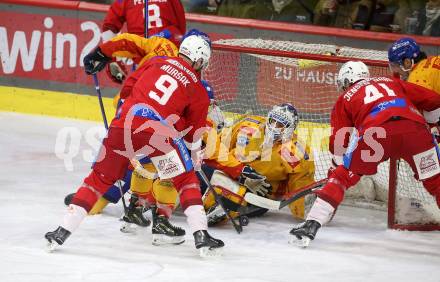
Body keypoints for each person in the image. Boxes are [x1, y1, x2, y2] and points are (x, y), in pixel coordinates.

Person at [45, 32, 225, 257]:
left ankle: (62, 231)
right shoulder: (197, 88)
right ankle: (200, 235)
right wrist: (194, 158)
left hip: (123, 126)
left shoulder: (156, 60)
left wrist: (123, 118)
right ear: (199, 60)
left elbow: (128, 89)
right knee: (186, 179)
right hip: (159, 133)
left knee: (97, 180)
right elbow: (194, 134)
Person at [290, 61, 440, 247]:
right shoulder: (391, 82)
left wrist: (337, 172)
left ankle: (312, 224)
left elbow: (339, 141)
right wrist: (432, 125)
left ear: (345, 81)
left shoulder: (345, 97)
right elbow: (434, 101)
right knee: (436, 181)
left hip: (375, 134)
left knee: (342, 177)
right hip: (415, 131)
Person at [202, 103, 315, 225]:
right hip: (229, 173)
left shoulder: (296, 152)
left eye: (280, 125)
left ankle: (210, 209)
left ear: (290, 128)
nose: (274, 127)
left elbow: (300, 187)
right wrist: (238, 171)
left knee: (233, 192)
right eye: (272, 121)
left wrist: (306, 207)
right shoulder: (246, 127)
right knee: (203, 174)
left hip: (258, 197)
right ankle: (199, 202)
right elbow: (219, 149)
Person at [102, 0, 186, 45]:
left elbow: (109, 26)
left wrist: (110, 58)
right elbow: (180, 28)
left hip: (141, 53)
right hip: (167, 51)